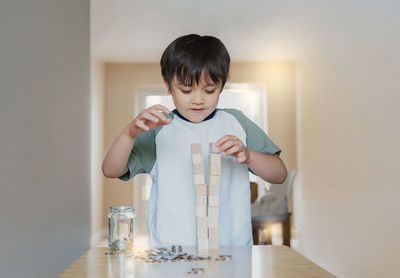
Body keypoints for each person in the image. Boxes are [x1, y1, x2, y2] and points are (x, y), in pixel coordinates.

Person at [102, 34, 287, 247]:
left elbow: (279, 174)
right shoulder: (159, 129)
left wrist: (249, 155)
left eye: (209, 90)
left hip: (233, 250)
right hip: (170, 253)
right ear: (168, 85)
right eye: (186, 90)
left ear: (222, 85)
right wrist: (129, 134)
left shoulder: (237, 122)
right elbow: (110, 170)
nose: (198, 99)